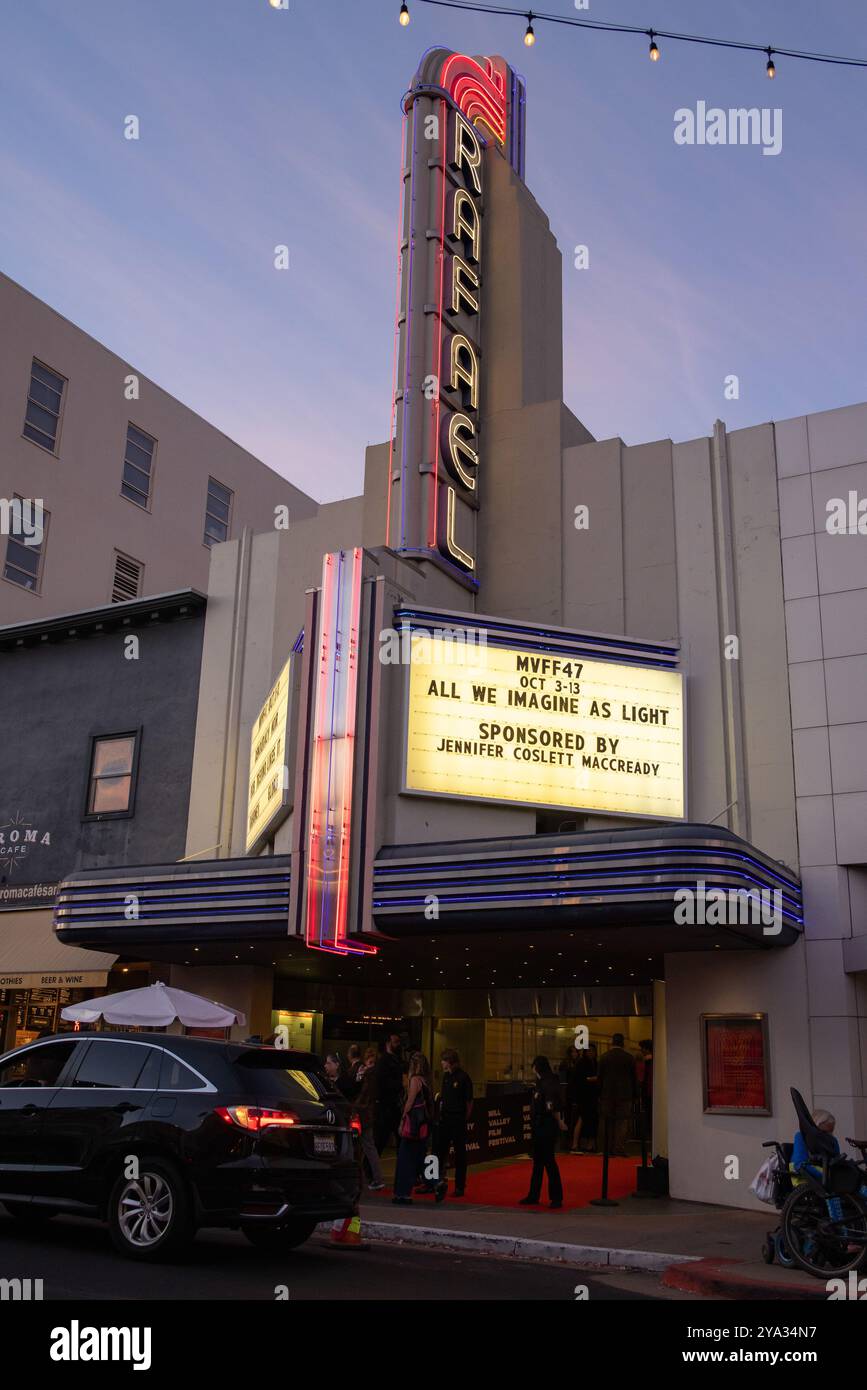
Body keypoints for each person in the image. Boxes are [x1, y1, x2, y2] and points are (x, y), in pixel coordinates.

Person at [519, 1055, 565, 1208]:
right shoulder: (544, 1082)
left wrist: (559, 1121)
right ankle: (534, 1194)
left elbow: (551, 1106)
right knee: (538, 1162)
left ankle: (556, 1197)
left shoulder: (547, 1083)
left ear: (536, 1068)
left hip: (545, 1125)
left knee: (548, 1161)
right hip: (540, 1125)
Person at [392, 1052, 434, 1204]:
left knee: (405, 1159)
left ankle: (402, 1193)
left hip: (412, 1126)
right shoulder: (426, 1080)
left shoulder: (415, 1079)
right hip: (422, 1126)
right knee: (420, 1157)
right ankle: (436, 1181)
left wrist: (403, 1119)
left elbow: (409, 1102)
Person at [431, 1049, 473, 1199]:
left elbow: (469, 1102)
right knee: (439, 1152)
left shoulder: (463, 1078)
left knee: (460, 1154)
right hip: (445, 1120)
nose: (441, 1063)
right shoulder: (446, 1077)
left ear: (449, 1061)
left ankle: (460, 1186)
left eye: (443, 1060)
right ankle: (435, 1182)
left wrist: (464, 1118)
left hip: (457, 1120)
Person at [597, 1034, 636, 1157]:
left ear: (612, 1043)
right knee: (622, 1122)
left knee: (607, 1121)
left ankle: (607, 1148)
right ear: (623, 1043)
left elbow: (600, 1078)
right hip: (625, 1095)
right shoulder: (629, 1058)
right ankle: (619, 1148)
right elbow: (633, 1078)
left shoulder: (604, 1057)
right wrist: (636, 1095)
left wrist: (599, 1094)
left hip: (607, 1094)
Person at [355, 1046, 385, 1192]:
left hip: (363, 1113)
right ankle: (376, 1178)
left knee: (364, 1147)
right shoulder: (377, 1075)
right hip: (369, 1113)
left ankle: (375, 1178)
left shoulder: (368, 1075)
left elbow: (362, 1095)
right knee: (368, 1147)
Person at [374, 1032, 405, 1156]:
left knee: (398, 1138)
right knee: (381, 1139)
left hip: (393, 1105)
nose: (398, 1045)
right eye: (395, 1042)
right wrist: (399, 1085)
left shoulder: (396, 1060)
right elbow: (382, 1083)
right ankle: (370, 1169)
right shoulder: (384, 1061)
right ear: (388, 1043)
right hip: (386, 1106)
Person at [570, 1043, 599, 1153]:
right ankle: (576, 1144)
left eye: (592, 1050)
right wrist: (592, 1079)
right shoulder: (582, 1063)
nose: (591, 1053)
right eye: (589, 1051)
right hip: (584, 1096)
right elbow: (578, 1080)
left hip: (592, 1096)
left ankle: (588, 1145)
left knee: (589, 1120)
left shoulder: (595, 1063)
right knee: (582, 1119)